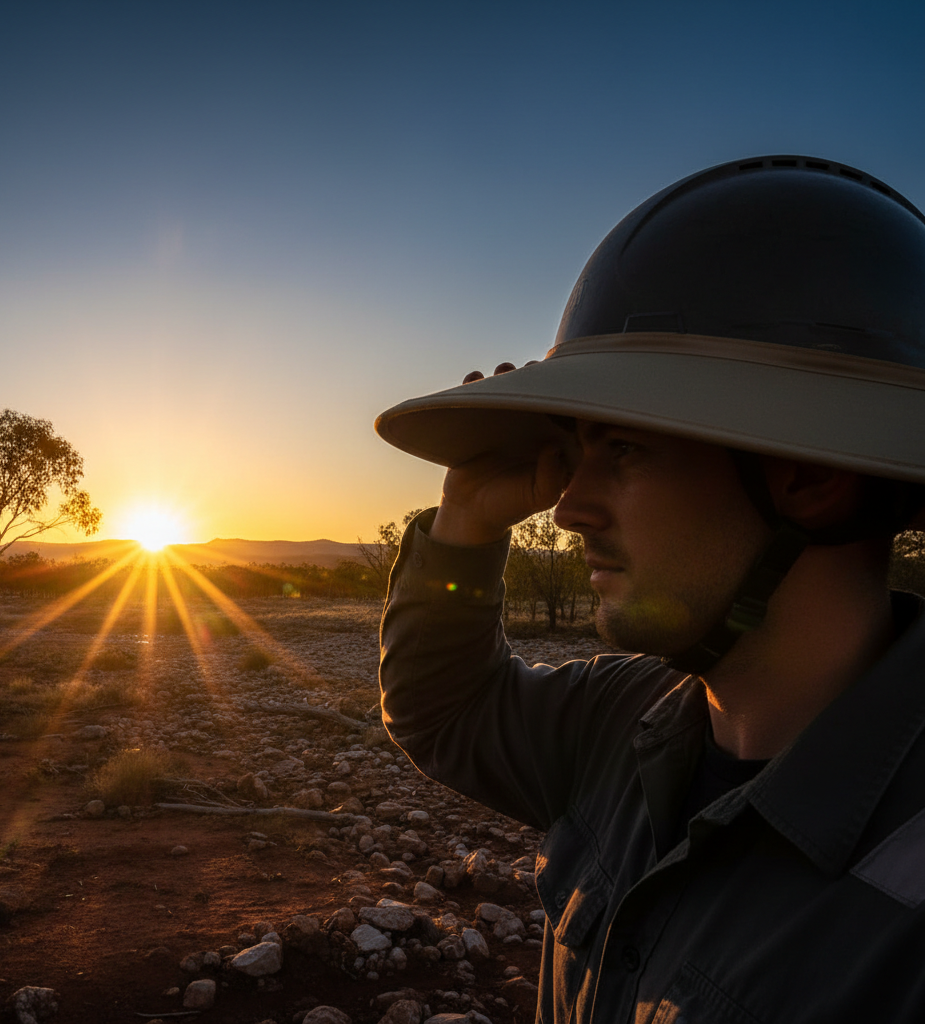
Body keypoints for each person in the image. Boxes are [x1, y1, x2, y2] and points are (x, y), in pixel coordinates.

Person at [374, 156, 925, 1023]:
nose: (569, 506)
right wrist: (467, 521)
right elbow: (443, 709)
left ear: (812, 478)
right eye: (576, 448)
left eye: (623, 450)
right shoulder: (624, 723)